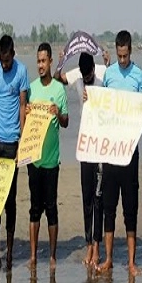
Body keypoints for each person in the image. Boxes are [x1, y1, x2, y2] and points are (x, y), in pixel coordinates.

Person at [98, 30, 142, 276]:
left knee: (130, 207)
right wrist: (91, 98)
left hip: (129, 151)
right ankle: (107, 258)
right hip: (110, 150)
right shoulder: (109, 74)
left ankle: (130, 262)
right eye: (119, 56)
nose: (123, 60)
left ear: (131, 51)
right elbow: (101, 108)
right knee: (109, 207)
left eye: (126, 55)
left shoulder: (138, 76)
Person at [0, 34, 30, 271]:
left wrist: (22, 142)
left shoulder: (21, 72)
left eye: (7, 60)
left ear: (13, 53)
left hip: (12, 142)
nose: (4, 64)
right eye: (1, 60)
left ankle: (10, 255)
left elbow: (23, 106)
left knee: (9, 200)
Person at [57, 50, 106, 267]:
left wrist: (108, 62)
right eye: (84, 78)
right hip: (85, 145)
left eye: (88, 78)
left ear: (93, 71)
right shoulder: (77, 77)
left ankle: (97, 246)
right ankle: (88, 244)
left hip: (101, 146)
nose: (86, 81)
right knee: (87, 198)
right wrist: (61, 60)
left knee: (98, 198)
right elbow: (58, 77)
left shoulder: (103, 76)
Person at [26, 42, 69, 268]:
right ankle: (33, 256)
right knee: (34, 208)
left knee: (51, 207)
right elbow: (23, 122)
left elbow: (66, 122)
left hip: (52, 161)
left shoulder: (59, 90)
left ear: (51, 61)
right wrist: (26, 112)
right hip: (34, 159)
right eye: (38, 61)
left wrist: (58, 112)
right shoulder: (31, 89)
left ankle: (52, 256)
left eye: (44, 61)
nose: (40, 65)